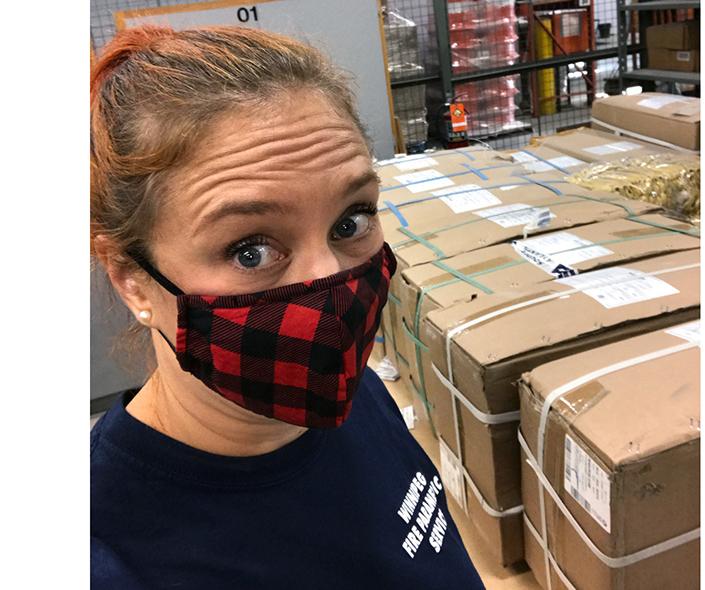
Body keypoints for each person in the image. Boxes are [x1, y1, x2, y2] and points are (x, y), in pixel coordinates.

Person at [90, 25, 485, 590]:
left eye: (350, 221)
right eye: (249, 250)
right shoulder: (105, 559)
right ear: (132, 281)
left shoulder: (358, 396)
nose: (331, 281)